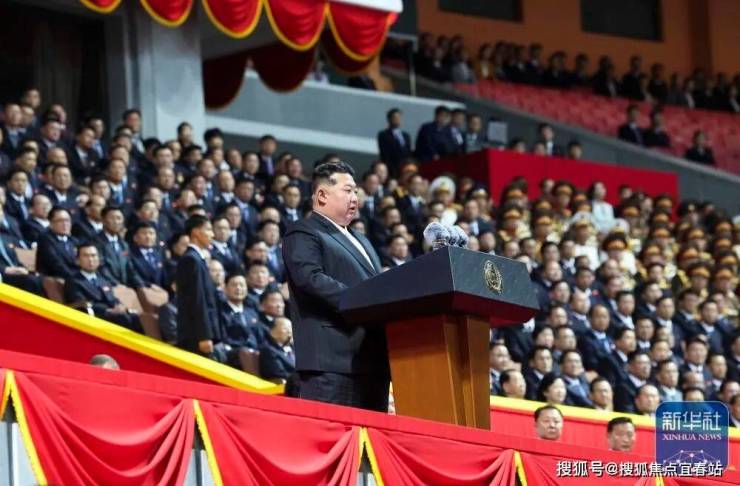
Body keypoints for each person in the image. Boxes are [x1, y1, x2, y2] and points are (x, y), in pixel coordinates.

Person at [282, 162, 389, 411]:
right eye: (348, 190)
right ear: (322, 195)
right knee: (332, 434)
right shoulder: (304, 231)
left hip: (372, 363)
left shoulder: (362, 240)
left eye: (356, 192)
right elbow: (310, 278)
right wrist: (363, 302)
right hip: (332, 362)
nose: (355, 198)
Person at [63, 243, 143, 332]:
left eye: (93, 256)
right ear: (77, 260)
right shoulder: (73, 281)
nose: (90, 259)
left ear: (99, 259)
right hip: (94, 316)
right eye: (86, 256)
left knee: (135, 317)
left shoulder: (103, 279)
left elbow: (112, 299)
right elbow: (81, 303)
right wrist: (108, 310)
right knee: (123, 318)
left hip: (111, 314)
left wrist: (119, 305)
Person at [176, 215, 223, 360]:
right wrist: (204, 335)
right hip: (195, 335)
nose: (212, 235)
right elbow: (197, 300)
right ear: (196, 232)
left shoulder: (197, 259)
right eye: (208, 229)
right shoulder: (191, 260)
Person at [259, 316, 296, 382]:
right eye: (285, 328)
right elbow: (279, 373)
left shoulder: (296, 350)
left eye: (291, 328)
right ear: (272, 333)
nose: (290, 331)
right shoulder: (269, 350)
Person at [376, 108, 412, 178]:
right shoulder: (383, 135)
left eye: (399, 117)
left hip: (405, 168)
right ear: (389, 119)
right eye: (395, 117)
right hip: (392, 169)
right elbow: (385, 154)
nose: (398, 119)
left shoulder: (406, 135)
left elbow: (408, 152)